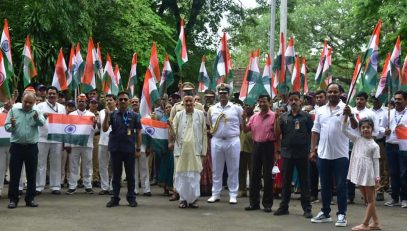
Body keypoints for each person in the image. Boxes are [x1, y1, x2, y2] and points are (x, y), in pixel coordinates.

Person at [310, 83, 350, 227]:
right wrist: (313, 149)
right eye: (330, 92)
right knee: (325, 185)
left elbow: (356, 128)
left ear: (341, 93)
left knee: (340, 185)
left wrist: (350, 115)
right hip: (323, 154)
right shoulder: (320, 110)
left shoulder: (346, 109)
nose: (332, 94)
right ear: (327, 93)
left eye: (335, 91)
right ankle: (325, 212)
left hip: (341, 155)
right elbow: (315, 131)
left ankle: (341, 214)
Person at [274, 92, 313, 218]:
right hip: (287, 153)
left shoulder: (306, 116)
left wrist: (312, 150)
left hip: (302, 153)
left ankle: (307, 208)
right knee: (286, 182)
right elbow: (277, 134)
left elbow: (312, 133)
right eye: (291, 100)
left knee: (304, 182)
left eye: (296, 99)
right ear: (288, 102)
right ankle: (284, 207)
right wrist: (276, 119)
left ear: (300, 101)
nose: (294, 102)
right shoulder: (284, 117)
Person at [5, 92, 45, 208]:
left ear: (34, 102)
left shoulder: (36, 111)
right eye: (25, 101)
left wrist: (37, 119)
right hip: (16, 146)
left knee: (31, 174)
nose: (27, 104)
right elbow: (7, 127)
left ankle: (30, 199)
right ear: (22, 99)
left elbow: (42, 123)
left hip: (31, 147)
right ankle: (13, 199)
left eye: (30, 103)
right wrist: (12, 125)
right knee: (15, 174)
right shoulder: (14, 110)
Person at [341, 112, 381, 231]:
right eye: (363, 127)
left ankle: (365, 224)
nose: (365, 129)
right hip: (359, 173)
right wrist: (345, 117)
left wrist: (377, 179)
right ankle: (376, 222)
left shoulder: (374, 145)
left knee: (370, 200)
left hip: (369, 175)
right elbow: (343, 130)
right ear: (360, 129)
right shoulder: (357, 139)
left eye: (368, 127)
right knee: (367, 200)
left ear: (372, 129)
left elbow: (376, 163)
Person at [103, 92, 142, 207]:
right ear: (117, 102)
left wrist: (138, 148)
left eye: (125, 99)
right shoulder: (112, 114)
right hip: (115, 149)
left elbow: (139, 132)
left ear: (129, 101)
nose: (123, 101)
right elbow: (105, 129)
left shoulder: (134, 115)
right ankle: (115, 198)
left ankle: (131, 198)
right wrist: (106, 115)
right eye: (121, 99)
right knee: (116, 175)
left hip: (129, 149)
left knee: (130, 176)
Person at [207, 83, 243, 204]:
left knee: (233, 168)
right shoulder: (212, 109)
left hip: (232, 140)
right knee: (216, 169)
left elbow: (241, 123)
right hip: (217, 140)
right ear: (218, 94)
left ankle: (233, 194)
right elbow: (209, 125)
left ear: (229, 94)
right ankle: (215, 193)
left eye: (225, 93)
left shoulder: (237, 108)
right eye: (221, 93)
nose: (223, 95)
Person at [169, 93, 207, 208]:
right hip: (181, 152)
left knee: (194, 176)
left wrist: (204, 151)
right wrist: (170, 127)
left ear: (194, 103)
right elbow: (173, 133)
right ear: (183, 103)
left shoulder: (200, 115)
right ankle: (183, 199)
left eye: (191, 101)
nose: (189, 103)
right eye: (187, 102)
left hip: (195, 151)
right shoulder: (179, 115)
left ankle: (194, 200)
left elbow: (204, 134)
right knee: (181, 176)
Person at [242, 95, 276, 212]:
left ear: (269, 103)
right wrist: (243, 118)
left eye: (264, 102)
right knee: (254, 175)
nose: (262, 104)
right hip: (256, 146)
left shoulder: (274, 116)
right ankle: (254, 203)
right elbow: (246, 130)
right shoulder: (254, 117)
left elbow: (277, 134)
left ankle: (267, 204)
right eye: (260, 102)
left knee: (267, 176)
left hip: (268, 146)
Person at [35, 86, 66, 195]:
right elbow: (35, 120)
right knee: (40, 163)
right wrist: (42, 116)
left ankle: (55, 186)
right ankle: (38, 187)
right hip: (42, 138)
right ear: (47, 95)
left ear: (57, 95)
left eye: (54, 93)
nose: (52, 95)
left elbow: (64, 124)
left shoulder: (62, 107)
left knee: (56, 163)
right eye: (50, 93)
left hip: (57, 139)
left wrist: (63, 140)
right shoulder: (39, 106)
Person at [66, 94, 97, 195]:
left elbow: (95, 130)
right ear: (77, 102)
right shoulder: (71, 115)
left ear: (86, 102)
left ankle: (88, 185)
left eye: (83, 101)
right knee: (73, 165)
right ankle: (72, 186)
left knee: (87, 165)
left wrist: (95, 123)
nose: (81, 103)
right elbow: (68, 130)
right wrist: (67, 144)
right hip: (74, 144)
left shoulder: (91, 115)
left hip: (87, 143)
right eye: (79, 101)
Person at [383, 90, 407, 208]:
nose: (396, 101)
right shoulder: (389, 112)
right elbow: (380, 128)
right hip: (390, 146)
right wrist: (384, 131)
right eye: (395, 99)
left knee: (404, 173)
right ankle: (394, 198)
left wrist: (404, 128)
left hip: (404, 147)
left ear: (405, 100)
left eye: (399, 99)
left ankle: (404, 198)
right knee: (393, 173)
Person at [98, 94, 116, 195]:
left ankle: (113, 186)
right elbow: (100, 127)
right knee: (102, 165)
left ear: (115, 102)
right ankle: (105, 187)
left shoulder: (118, 112)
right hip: (102, 141)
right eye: (107, 100)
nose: (109, 102)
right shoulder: (101, 112)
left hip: (114, 142)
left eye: (111, 100)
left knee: (114, 165)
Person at [371, 96, 388, 201]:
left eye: (377, 99)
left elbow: (385, 127)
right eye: (374, 99)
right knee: (369, 165)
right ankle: (369, 189)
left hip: (380, 142)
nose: (376, 101)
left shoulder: (386, 112)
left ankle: (380, 190)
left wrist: (384, 131)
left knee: (381, 166)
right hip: (369, 141)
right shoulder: (369, 112)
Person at [238, 104, 254, 198]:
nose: (246, 110)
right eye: (245, 109)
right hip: (241, 149)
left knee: (252, 171)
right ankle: (242, 189)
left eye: (248, 108)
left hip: (251, 149)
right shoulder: (242, 120)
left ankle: (252, 189)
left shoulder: (254, 119)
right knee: (241, 170)